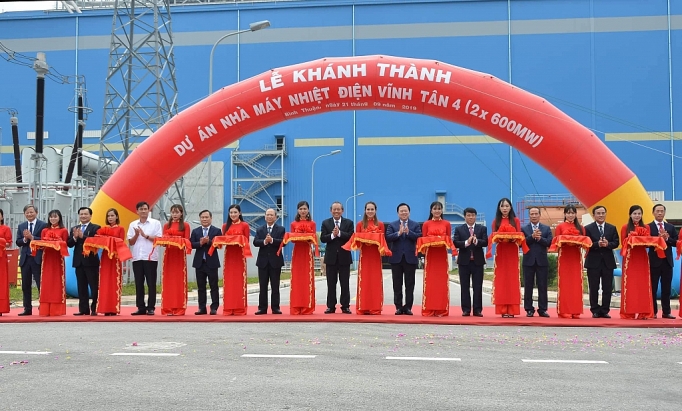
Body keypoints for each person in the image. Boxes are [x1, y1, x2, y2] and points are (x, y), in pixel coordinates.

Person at [552, 204, 590, 319]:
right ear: (565, 214)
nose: (570, 215)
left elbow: (584, 242)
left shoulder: (581, 228)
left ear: (575, 214)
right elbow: (556, 243)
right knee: (564, 284)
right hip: (564, 257)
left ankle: (575, 310)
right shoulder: (560, 227)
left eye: (572, 213)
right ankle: (564, 311)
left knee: (576, 284)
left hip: (576, 258)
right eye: (568, 213)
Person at [489, 198, 524, 318]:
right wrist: (501, 238)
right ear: (499, 208)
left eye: (507, 206)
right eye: (502, 206)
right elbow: (493, 237)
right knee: (501, 280)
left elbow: (520, 236)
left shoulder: (516, 220)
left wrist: (512, 238)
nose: (505, 208)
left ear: (510, 207)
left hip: (512, 251)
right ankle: (502, 309)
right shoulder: (495, 221)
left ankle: (513, 309)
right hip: (501, 252)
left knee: (512, 280)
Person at [385, 203, 422, 315]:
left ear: (409, 212)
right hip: (396, 258)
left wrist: (408, 232)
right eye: (401, 211)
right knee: (397, 284)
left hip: (410, 258)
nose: (404, 213)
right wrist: (399, 233)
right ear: (398, 213)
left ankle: (408, 307)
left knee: (410, 284)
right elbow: (388, 237)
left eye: (405, 211)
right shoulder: (392, 225)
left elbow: (419, 237)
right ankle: (398, 307)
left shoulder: (415, 225)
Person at [127, 201, 163, 316]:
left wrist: (145, 236)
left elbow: (159, 239)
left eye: (145, 209)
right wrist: (137, 235)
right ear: (137, 211)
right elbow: (131, 242)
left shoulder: (155, 223)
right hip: (137, 257)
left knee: (151, 283)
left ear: (149, 210)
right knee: (139, 283)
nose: (143, 211)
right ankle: (141, 307)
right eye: (141, 209)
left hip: (150, 257)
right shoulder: (133, 224)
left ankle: (151, 307)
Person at [619, 205, 654, 320]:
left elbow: (648, 243)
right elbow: (623, 243)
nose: (637, 216)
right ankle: (628, 312)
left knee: (643, 284)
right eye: (635, 213)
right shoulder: (625, 227)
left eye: (639, 213)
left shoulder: (646, 227)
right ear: (630, 215)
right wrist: (631, 238)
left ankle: (644, 312)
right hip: (630, 258)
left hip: (642, 257)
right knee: (630, 284)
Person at [584, 205, 619, 319]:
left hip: (608, 262)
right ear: (593, 215)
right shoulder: (588, 228)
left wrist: (608, 244)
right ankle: (594, 310)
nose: (601, 215)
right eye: (598, 213)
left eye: (603, 213)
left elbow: (616, 242)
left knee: (607, 288)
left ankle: (605, 310)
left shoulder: (611, 228)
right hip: (593, 262)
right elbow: (585, 243)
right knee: (594, 288)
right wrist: (596, 244)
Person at [351, 201, 386, 315]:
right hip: (364, 255)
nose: (370, 211)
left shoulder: (380, 224)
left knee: (375, 281)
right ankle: (363, 306)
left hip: (375, 256)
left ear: (375, 211)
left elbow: (382, 241)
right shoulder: (360, 224)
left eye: (372, 209)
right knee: (364, 281)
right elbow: (357, 241)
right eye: (368, 209)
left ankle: (375, 307)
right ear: (365, 211)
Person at [92, 208, 128, 316]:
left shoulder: (120, 228)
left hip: (115, 257)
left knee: (114, 282)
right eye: (108, 216)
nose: (110, 218)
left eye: (112, 215)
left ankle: (113, 308)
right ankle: (105, 308)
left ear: (117, 217)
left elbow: (121, 242)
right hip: (105, 257)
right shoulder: (103, 229)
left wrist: (109, 239)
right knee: (104, 282)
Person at [420, 201, 453, 317]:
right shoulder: (426, 224)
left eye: (439, 209)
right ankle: (429, 308)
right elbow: (423, 239)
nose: (437, 211)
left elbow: (449, 239)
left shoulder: (447, 223)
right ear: (431, 211)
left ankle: (441, 309)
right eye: (435, 209)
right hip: (431, 255)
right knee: (430, 282)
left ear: (442, 210)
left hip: (442, 255)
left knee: (441, 282)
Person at [320, 201, 354, 314]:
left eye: (338, 209)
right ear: (331, 211)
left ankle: (345, 306)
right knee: (331, 283)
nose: (336, 211)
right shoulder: (326, 223)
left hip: (344, 257)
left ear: (342, 211)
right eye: (334, 209)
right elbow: (323, 238)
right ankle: (331, 306)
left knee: (345, 283)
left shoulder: (349, 223)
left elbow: (351, 236)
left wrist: (339, 233)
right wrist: (332, 235)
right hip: (331, 258)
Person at [453, 207, 487, 317]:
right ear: (465, 217)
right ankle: (466, 309)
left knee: (478, 286)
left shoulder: (482, 228)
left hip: (478, 262)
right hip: (464, 262)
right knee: (464, 286)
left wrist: (476, 241)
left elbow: (485, 242)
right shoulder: (459, 229)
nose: (471, 217)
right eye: (468, 215)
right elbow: (456, 242)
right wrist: (467, 242)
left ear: (475, 216)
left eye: (473, 215)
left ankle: (477, 310)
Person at [67, 207, 101, 316]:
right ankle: (83, 309)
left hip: (91, 262)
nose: (83, 216)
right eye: (81, 214)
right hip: (79, 262)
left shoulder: (96, 227)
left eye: (85, 214)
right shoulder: (74, 228)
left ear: (90, 215)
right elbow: (69, 244)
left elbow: (96, 242)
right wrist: (75, 238)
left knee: (94, 286)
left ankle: (95, 308)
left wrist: (83, 237)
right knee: (81, 287)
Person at [159, 204, 191, 316]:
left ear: (181, 213)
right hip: (169, 254)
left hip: (179, 255)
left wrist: (175, 239)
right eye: (173, 212)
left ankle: (179, 308)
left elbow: (187, 241)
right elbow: (163, 242)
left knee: (179, 281)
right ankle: (167, 308)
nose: (175, 214)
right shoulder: (166, 225)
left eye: (177, 212)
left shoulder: (185, 225)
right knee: (168, 281)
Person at [521, 207, 553, 317]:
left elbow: (549, 242)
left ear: (540, 215)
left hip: (542, 261)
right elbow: (521, 243)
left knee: (542, 286)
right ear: (529, 215)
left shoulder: (546, 228)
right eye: (532, 214)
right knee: (528, 286)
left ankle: (542, 309)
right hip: (528, 261)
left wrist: (539, 239)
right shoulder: (524, 229)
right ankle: (529, 309)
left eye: (536, 214)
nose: (534, 216)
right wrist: (532, 237)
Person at [36, 210, 69, 316]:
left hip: (58, 259)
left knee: (57, 281)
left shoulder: (63, 230)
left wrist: (57, 242)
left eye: (55, 217)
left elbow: (65, 245)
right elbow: (42, 244)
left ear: (59, 218)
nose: (53, 219)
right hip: (47, 258)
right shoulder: (44, 230)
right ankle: (45, 309)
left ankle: (57, 309)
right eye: (51, 217)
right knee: (46, 282)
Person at [287, 201, 317, 315]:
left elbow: (313, 239)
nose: (303, 211)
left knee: (307, 278)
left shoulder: (312, 223)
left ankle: (307, 307)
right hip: (297, 252)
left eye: (304, 209)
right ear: (297, 210)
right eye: (300, 209)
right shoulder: (293, 224)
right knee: (296, 279)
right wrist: (300, 235)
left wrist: (306, 236)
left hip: (307, 252)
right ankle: (296, 306)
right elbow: (292, 239)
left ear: (308, 210)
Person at [16, 204, 47, 316]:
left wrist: (32, 238)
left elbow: (44, 240)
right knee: (25, 285)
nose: (29, 214)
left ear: (36, 213)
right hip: (25, 259)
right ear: (24, 214)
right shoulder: (21, 226)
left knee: (40, 284)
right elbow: (18, 242)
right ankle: (27, 308)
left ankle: (43, 307)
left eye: (31, 212)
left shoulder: (43, 225)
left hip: (37, 258)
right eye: (27, 212)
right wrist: (25, 239)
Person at [253, 208, 285, 315]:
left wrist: (272, 240)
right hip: (262, 262)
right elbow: (255, 242)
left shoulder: (281, 229)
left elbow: (283, 242)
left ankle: (275, 308)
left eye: (271, 215)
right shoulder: (260, 229)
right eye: (267, 215)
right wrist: (264, 241)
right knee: (263, 286)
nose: (269, 217)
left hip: (275, 261)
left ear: (275, 217)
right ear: (265, 216)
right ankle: (262, 308)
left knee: (275, 286)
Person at [648, 203, 677, 319]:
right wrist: (657, 239)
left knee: (666, 288)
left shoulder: (670, 227)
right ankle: (653, 312)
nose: (660, 213)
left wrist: (667, 238)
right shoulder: (648, 227)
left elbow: (676, 243)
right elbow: (646, 242)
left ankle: (666, 312)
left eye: (662, 211)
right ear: (653, 213)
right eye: (657, 211)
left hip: (667, 262)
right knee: (653, 288)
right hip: (654, 262)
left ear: (664, 213)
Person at [190, 210, 221, 315]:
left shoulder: (216, 231)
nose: (204, 219)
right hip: (199, 263)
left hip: (212, 262)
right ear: (200, 219)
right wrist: (200, 243)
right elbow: (191, 244)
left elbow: (219, 244)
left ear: (211, 218)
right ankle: (202, 308)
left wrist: (209, 242)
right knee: (201, 287)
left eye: (206, 217)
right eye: (202, 217)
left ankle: (214, 307)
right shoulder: (195, 231)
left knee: (214, 286)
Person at [221, 204, 250, 316]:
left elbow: (246, 241)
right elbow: (222, 240)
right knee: (228, 282)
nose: (233, 214)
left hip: (240, 256)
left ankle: (239, 308)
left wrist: (238, 239)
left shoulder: (245, 225)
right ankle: (228, 308)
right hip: (229, 256)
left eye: (235, 212)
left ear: (240, 213)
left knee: (239, 281)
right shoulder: (225, 226)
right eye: (231, 212)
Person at [0, 209, 12, 316]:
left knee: (1, 281)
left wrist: (1, 241)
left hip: (1, 258)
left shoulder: (6, 228)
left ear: (2, 217)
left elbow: (9, 243)